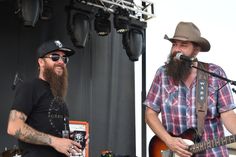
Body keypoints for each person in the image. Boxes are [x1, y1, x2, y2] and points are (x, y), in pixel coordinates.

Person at [144, 21, 236, 157]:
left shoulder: (215, 74)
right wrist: (169, 141)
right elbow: (150, 114)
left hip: (212, 153)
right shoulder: (162, 74)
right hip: (174, 152)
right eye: (174, 44)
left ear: (196, 50)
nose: (176, 49)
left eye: (183, 45)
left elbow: (227, 114)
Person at [7, 40, 84, 157]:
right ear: (41, 62)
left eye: (64, 59)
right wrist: (54, 141)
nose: (61, 62)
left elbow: (52, 132)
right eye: (55, 57)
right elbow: (14, 127)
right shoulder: (30, 87)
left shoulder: (57, 95)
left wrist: (72, 138)